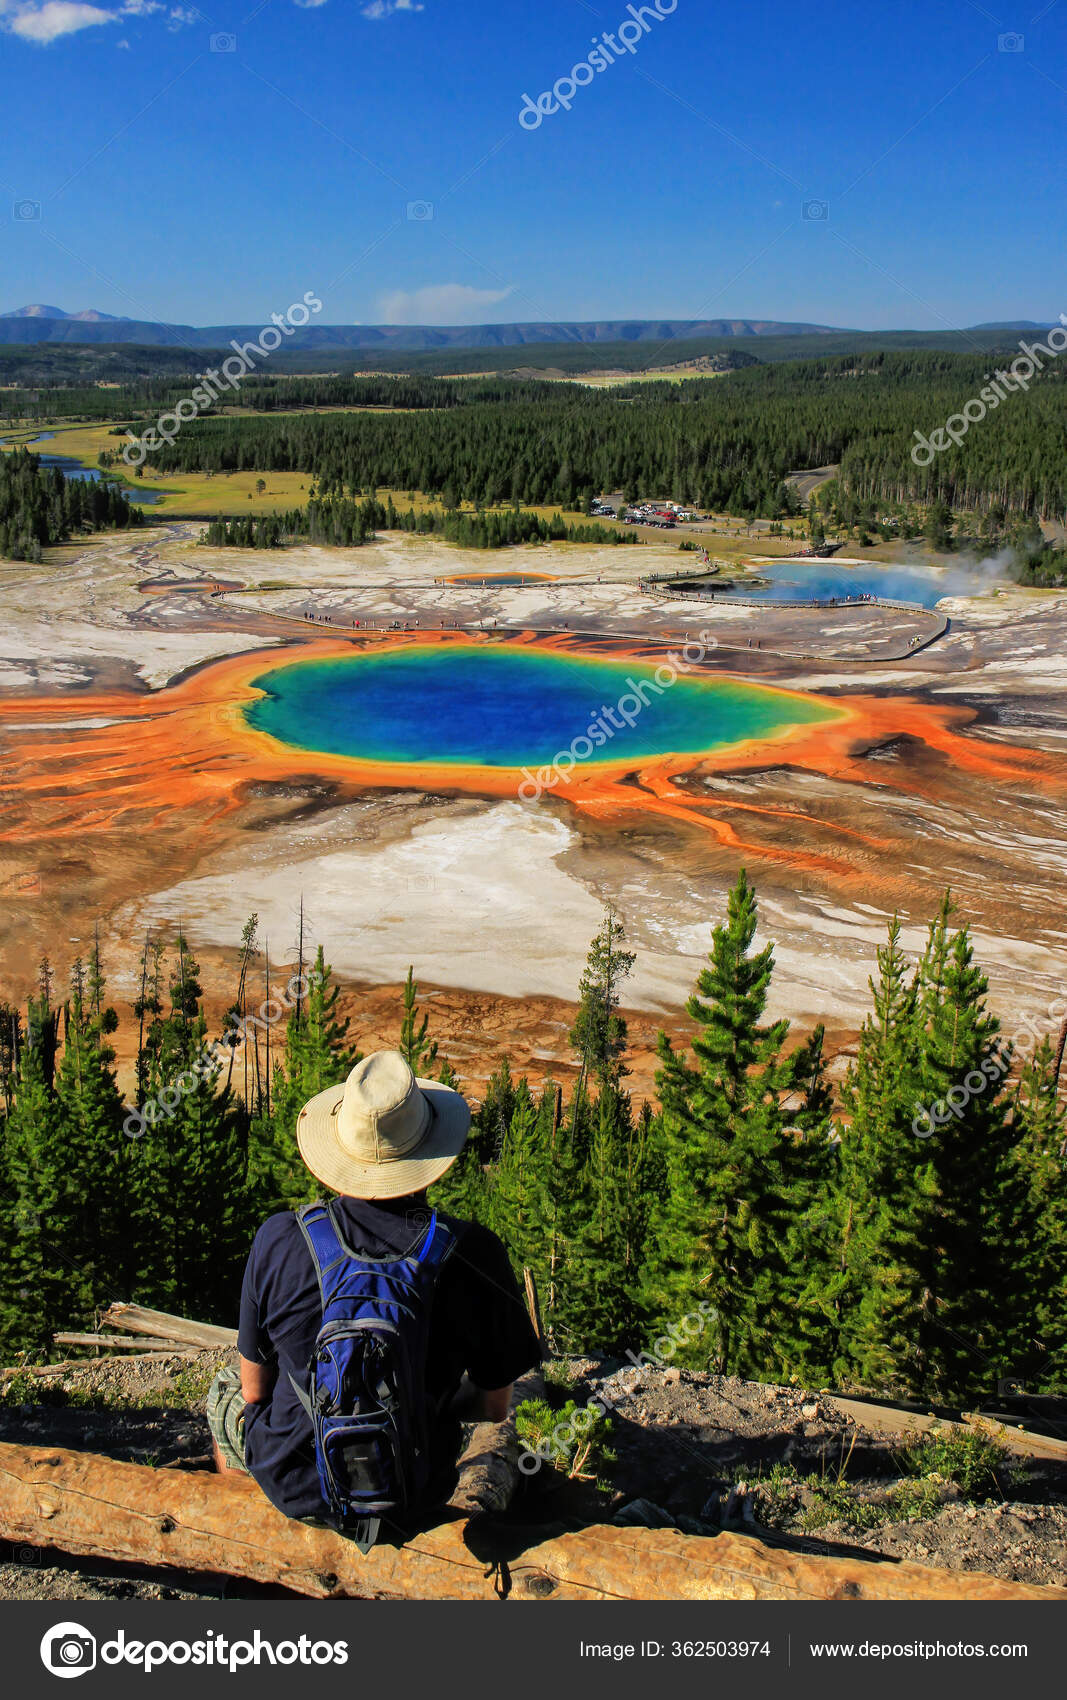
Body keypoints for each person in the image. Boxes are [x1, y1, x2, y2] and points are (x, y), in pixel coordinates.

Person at [208, 1050, 540, 1532]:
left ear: (340, 1149)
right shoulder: (475, 1253)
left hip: (296, 1485)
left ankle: (241, 1537)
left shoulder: (279, 1239)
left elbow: (256, 1390)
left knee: (226, 1394)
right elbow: (492, 1406)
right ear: (430, 1152)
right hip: (414, 1492)